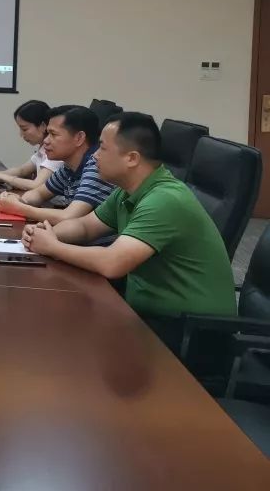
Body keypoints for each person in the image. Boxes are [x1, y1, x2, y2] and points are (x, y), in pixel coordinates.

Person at [22, 113, 235, 345]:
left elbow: (112, 263)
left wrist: (53, 247)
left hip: (191, 334)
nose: (94, 155)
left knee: (63, 335)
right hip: (150, 315)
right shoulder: (127, 191)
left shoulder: (164, 200)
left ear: (132, 158)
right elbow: (85, 226)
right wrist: (46, 233)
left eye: (103, 148)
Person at [0, 105, 114, 222]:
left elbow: (69, 217)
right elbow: (39, 193)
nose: (46, 141)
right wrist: (17, 200)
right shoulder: (68, 167)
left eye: (53, 134)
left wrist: (19, 208)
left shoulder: (96, 167)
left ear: (79, 138)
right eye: (47, 134)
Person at [0, 99, 64, 191]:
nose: (21, 135)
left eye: (24, 129)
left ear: (43, 126)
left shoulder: (56, 151)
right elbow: (22, 170)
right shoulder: (43, 149)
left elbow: (36, 185)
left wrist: (0, 176)